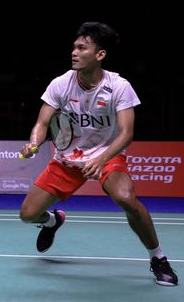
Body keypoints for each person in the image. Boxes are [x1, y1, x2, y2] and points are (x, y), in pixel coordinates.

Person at [18, 21, 178, 286]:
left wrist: (101, 159)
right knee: (27, 215)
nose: (74, 52)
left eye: (82, 48)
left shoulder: (119, 86)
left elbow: (126, 133)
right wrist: (33, 143)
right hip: (68, 159)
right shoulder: (60, 84)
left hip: (108, 153)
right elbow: (43, 123)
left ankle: (158, 258)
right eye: (74, 47)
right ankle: (52, 222)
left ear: (100, 54)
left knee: (126, 198)